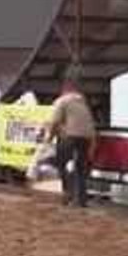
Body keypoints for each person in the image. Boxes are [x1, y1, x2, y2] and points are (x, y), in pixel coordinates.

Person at [44, 78, 97, 208]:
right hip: (86, 138)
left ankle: (67, 193)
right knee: (80, 168)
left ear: (64, 90)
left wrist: (48, 139)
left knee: (61, 163)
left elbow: (54, 122)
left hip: (70, 136)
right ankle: (81, 199)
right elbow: (90, 126)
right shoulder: (83, 103)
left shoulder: (62, 101)